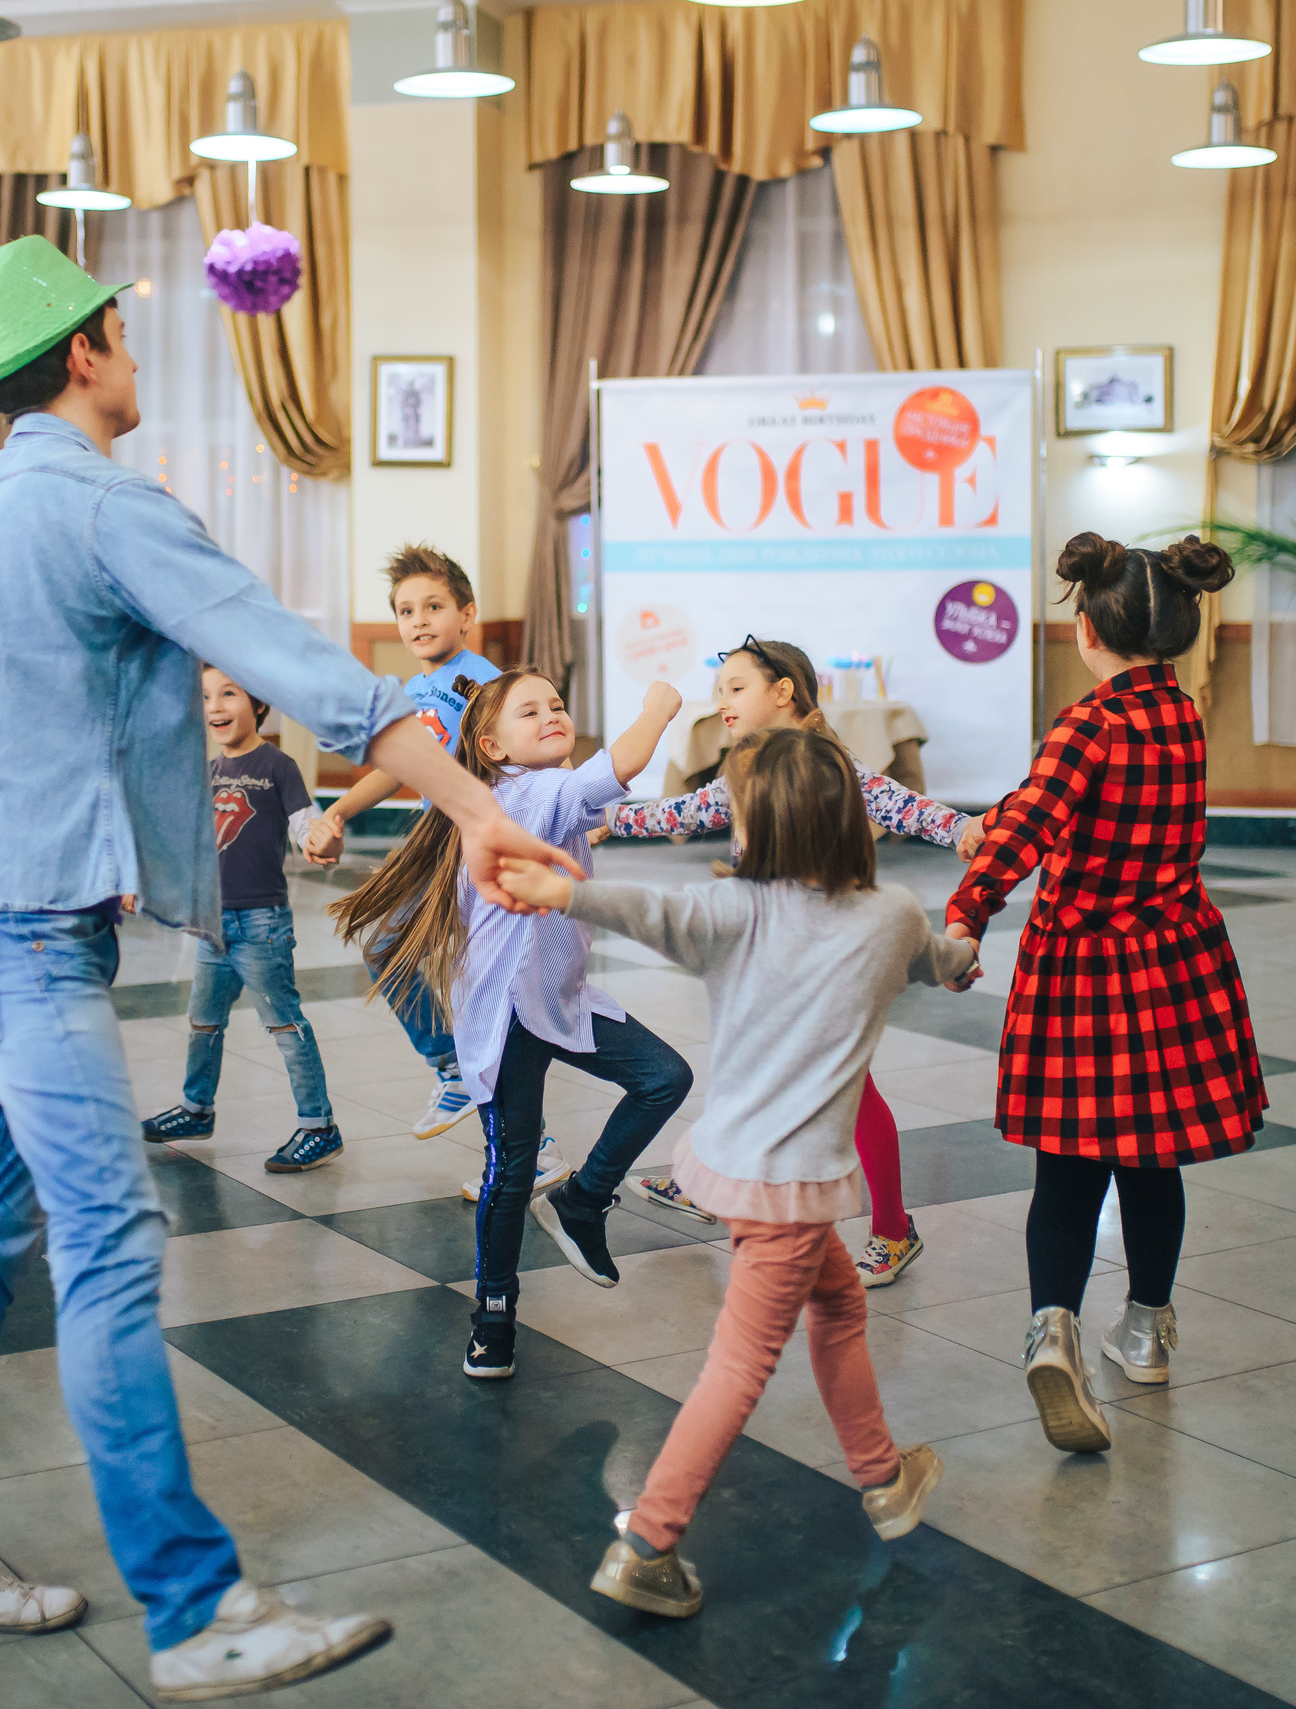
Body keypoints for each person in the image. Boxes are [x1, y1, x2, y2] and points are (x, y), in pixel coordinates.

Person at [0, 236, 571, 1699]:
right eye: (125, 337)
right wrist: (473, 810)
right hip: (25, 931)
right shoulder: (101, 508)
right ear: (84, 353)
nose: (137, 359)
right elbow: (310, 672)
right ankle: (196, 1601)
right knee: (107, 1240)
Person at [497, 730, 974, 1615]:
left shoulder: (735, 913)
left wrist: (563, 890)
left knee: (837, 1304)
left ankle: (882, 1474)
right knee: (741, 1364)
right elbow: (940, 961)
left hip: (738, 1167)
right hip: (792, 1190)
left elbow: (646, 909)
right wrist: (958, 951)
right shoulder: (894, 914)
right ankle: (648, 1542)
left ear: (759, 830)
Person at [949, 534, 1264, 1454]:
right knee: (1151, 1161)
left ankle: (1054, 1328)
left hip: (1083, 969)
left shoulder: (1086, 724)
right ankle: (1148, 1331)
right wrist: (1001, 818)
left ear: (1086, 629)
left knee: (1069, 1169)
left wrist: (969, 911)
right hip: (1172, 963)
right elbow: (1044, 801)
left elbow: (1038, 822)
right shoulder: (1180, 717)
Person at [337, 670, 694, 1380]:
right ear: (493, 745)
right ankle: (493, 1312)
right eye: (530, 711)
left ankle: (582, 1201)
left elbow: (600, 807)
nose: (553, 714)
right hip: (506, 1018)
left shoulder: (525, 798)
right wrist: (658, 707)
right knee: (510, 1171)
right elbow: (617, 767)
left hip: (561, 999)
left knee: (664, 1077)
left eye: (558, 704)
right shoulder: (527, 793)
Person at [605, 635, 987, 1285]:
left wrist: (957, 829)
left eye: (735, 686)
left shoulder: (822, 757)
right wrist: (608, 819)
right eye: (719, 687)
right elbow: (689, 812)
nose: (720, 700)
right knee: (757, 1059)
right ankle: (714, 1185)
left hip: (830, 945)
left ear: (783, 690)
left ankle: (893, 1228)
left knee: (845, 1083)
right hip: (775, 944)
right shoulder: (750, 762)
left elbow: (895, 802)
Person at [301, 547, 502, 1147]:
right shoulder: (416, 689)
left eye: (433, 606)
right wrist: (336, 809)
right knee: (391, 947)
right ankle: (459, 1075)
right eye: (405, 610)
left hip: (474, 842)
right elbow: (395, 768)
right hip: (436, 842)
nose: (418, 620)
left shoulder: (485, 681)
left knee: (485, 993)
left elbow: (531, 741)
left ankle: (480, 1095)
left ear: (466, 614)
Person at [140, 668, 341, 1172]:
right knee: (203, 1023)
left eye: (228, 693)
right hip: (214, 926)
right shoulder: (208, 772)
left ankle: (320, 1127)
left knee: (286, 1025)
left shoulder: (278, 766)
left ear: (257, 703)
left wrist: (323, 840)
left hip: (261, 926)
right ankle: (196, 1109)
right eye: (206, 696)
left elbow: (307, 826)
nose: (216, 705)